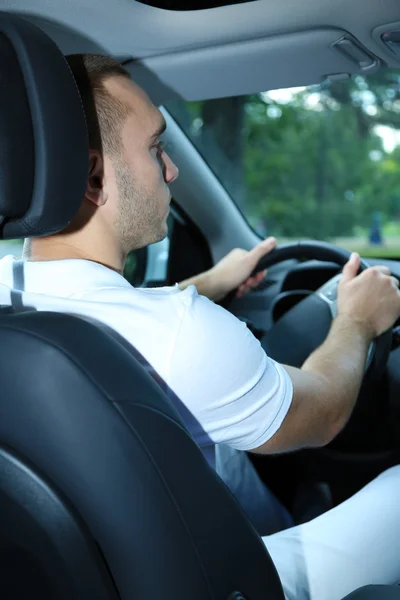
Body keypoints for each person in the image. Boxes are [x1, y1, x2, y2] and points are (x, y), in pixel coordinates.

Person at [1, 54, 400, 599]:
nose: (172, 171)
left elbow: (123, 327)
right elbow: (324, 412)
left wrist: (209, 282)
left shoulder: (10, 292)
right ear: (94, 175)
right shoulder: (180, 334)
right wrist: (357, 319)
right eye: (156, 148)